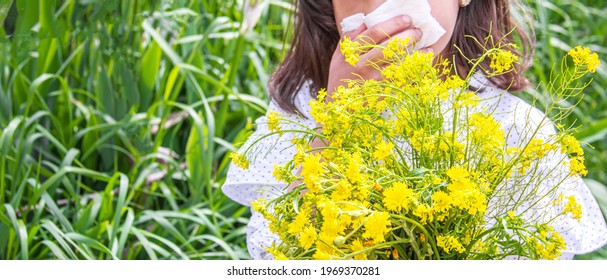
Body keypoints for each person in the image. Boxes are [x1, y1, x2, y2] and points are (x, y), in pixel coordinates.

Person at [221, 0, 607, 260]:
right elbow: (274, 252)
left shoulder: (517, 131)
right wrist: (337, 123)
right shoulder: (306, 110)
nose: (382, 9)